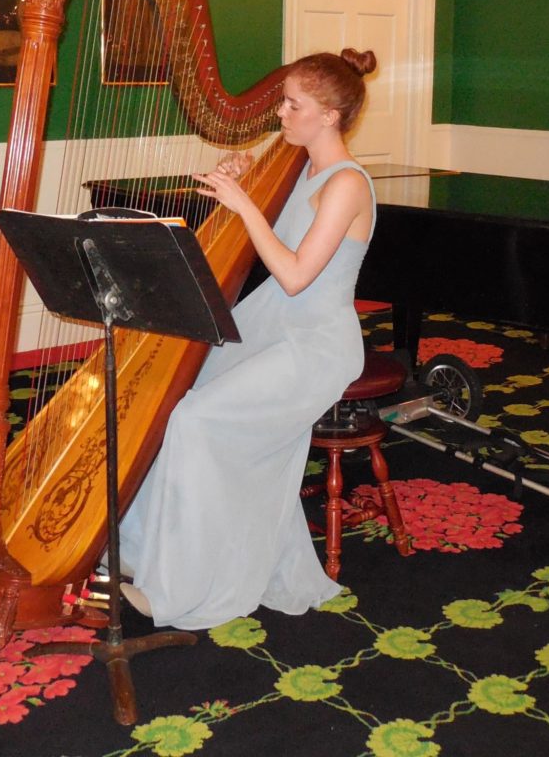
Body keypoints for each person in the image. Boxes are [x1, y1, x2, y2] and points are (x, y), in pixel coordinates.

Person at [117, 47, 379, 630]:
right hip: (270, 326)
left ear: (329, 116)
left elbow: (294, 275)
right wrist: (241, 176)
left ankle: (180, 588)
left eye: (292, 104)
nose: (280, 113)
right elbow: (270, 225)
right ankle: (144, 552)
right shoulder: (300, 163)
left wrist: (242, 206)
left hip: (314, 343)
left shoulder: (347, 186)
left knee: (198, 421)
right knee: (175, 402)